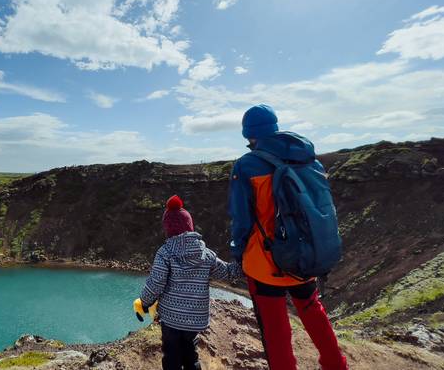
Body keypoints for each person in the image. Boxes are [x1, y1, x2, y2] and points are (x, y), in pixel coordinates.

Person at [229, 104, 348, 370]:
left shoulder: (247, 165)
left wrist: (238, 255)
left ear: (248, 134)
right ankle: (336, 364)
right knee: (311, 309)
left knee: (275, 329)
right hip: (304, 253)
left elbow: (241, 220)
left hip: (265, 263)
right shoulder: (308, 160)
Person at [136, 195, 238, 370]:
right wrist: (246, 261)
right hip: (194, 321)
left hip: (171, 319)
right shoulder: (206, 254)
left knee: (171, 357)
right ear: (190, 226)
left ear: (167, 229)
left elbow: (156, 283)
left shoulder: (165, 252)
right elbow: (228, 272)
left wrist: (145, 302)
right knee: (191, 355)